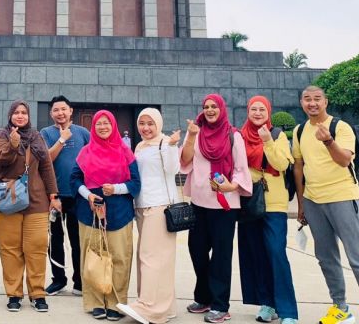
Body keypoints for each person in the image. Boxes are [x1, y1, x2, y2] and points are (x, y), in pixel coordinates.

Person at [293, 86, 359, 324]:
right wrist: (301, 203)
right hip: (313, 200)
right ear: (302, 102)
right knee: (326, 257)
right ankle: (340, 308)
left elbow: (344, 160)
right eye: (307, 99)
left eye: (317, 99)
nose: (312, 103)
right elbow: (298, 167)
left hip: (343, 197)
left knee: (358, 258)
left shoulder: (340, 127)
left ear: (325, 102)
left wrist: (329, 141)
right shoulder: (299, 131)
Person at [180, 94, 252, 324]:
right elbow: (185, 161)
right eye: (206, 107)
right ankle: (204, 297)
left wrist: (231, 186)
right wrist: (191, 136)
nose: (210, 110)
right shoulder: (197, 131)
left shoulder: (234, 135)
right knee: (196, 250)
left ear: (222, 109)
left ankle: (220, 305)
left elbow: (241, 168)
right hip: (199, 202)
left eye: (214, 107)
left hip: (224, 205)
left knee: (221, 256)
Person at [0, 99, 61, 313]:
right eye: (16, 112)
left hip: (36, 201)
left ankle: (37, 293)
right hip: (7, 200)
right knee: (11, 250)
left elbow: (46, 166)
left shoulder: (37, 137)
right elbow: (1, 159)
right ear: (10, 115)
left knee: (36, 247)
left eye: (24, 113)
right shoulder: (0, 135)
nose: (20, 116)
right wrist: (12, 143)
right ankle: (14, 294)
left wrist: (53, 195)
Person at [71, 110, 141, 321]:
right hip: (89, 211)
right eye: (98, 124)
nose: (102, 127)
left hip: (119, 212)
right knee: (92, 257)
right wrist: (88, 195)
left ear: (113, 126)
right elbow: (74, 180)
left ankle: (116, 303)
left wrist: (117, 189)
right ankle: (95, 303)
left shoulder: (126, 152)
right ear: (93, 127)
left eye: (106, 123)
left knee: (119, 258)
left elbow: (136, 183)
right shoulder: (85, 152)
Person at [117, 108, 181, 324]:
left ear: (159, 124)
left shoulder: (165, 142)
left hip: (160, 206)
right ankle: (165, 308)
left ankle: (148, 308)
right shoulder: (140, 146)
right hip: (143, 206)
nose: (145, 128)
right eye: (142, 123)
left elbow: (173, 169)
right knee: (155, 259)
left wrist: (172, 147)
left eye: (150, 123)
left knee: (151, 258)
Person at [238, 96, 299, 324]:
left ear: (269, 112)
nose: (257, 113)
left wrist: (267, 142)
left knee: (276, 253)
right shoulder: (240, 136)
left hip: (274, 204)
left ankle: (288, 311)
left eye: (261, 109)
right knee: (256, 254)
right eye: (253, 109)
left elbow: (282, 164)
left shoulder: (277, 135)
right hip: (248, 202)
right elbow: (236, 165)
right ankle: (267, 304)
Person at [40, 95, 90, 296]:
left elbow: (93, 158)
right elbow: (46, 160)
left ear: (71, 111)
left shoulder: (83, 132)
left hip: (79, 194)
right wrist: (62, 140)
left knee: (79, 240)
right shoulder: (45, 133)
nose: (60, 113)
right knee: (55, 240)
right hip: (55, 196)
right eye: (55, 110)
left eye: (63, 109)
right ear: (51, 113)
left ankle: (80, 282)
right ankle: (58, 280)